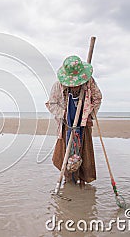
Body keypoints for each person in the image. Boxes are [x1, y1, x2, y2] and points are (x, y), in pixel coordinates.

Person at [45, 55, 102, 185]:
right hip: (66, 126)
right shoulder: (58, 86)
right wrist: (64, 114)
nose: (76, 86)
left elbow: (97, 98)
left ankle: (82, 180)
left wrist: (90, 115)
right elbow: (52, 104)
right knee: (66, 153)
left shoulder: (88, 82)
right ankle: (68, 180)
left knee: (84, 152)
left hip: (83, 124)